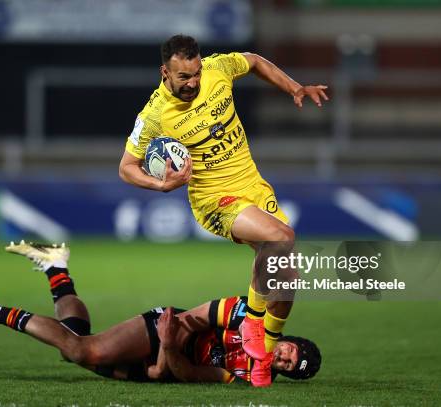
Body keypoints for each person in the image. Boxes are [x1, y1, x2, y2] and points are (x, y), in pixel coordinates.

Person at [118, 34, 328, 385]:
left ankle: (261, 357)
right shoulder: (154, 114)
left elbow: (256, 61)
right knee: (282, 237)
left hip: (254, 188)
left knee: (287, 278)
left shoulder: (218, 68)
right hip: (215, 199)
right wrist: (161, 185)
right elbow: (126, 166)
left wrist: (293, 87)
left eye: (196, 72)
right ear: (164, 72)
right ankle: (252, 322)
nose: (193, 82)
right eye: (184, 76)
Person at [0, 242, 321, 385]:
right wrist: (169, 341)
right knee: (83, 351)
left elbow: (190, 373)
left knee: (72, 345)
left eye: (289, 367)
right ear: (289, 339)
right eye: (293, 352)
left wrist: (169, 355)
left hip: (169, 359)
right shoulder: (249, 317)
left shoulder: (245, 375)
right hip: (165, 329)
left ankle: (55, 266)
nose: (285, 359)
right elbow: (196, 315)